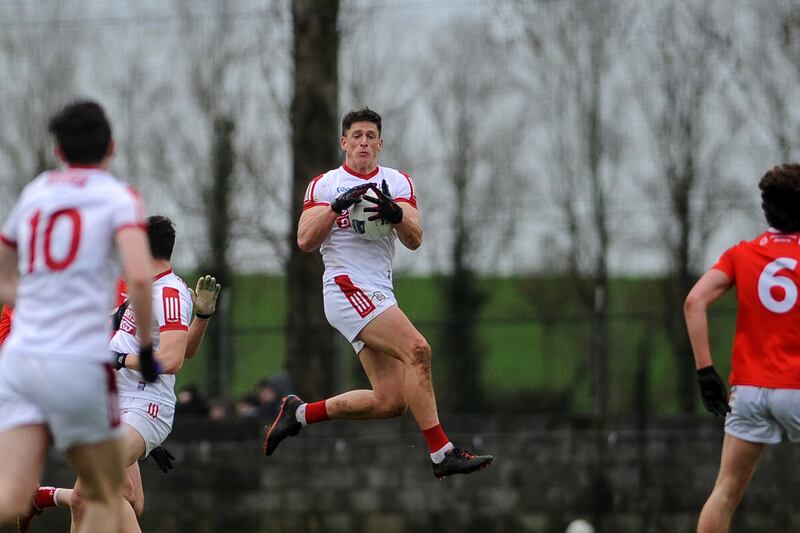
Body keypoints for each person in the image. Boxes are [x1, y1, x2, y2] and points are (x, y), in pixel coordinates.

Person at [264, 107, 492, 478]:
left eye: (371, 136)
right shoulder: (325, 184)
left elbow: (415, 239)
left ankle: (299, 413)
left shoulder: (398, 183)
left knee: (391, 401)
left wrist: (396, 214)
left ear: (381, 144)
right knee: (418, 350)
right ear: (344, 142)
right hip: (344, 287)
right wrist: (336, 206)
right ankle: (441, 454)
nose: (364, 142)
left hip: (380, 293)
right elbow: (305, 240)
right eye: (356, 136)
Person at [0, 100, 157, 532]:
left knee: (10, 494)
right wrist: (145, 347)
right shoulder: (118, 197)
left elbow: (2, 272)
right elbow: (141, 278)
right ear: (111, 146)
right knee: (106, 492)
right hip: (78, 364)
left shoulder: (35, 192)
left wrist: (37, 306)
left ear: (58, 152)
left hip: (21, 356)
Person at [17, 216, 222, 532]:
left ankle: (41, 497)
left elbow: (173, 358)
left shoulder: (167, 293)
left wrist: (121, 358)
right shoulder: (142, 289)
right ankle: (41, 496)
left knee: (92, 492)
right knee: (114, 499)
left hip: (142, 407)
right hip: (111, 405)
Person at [685, 163, 800, 533]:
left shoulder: (742, 253)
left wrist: (706, 373)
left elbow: (694, 302)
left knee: (725, 491)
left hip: (748, 392)